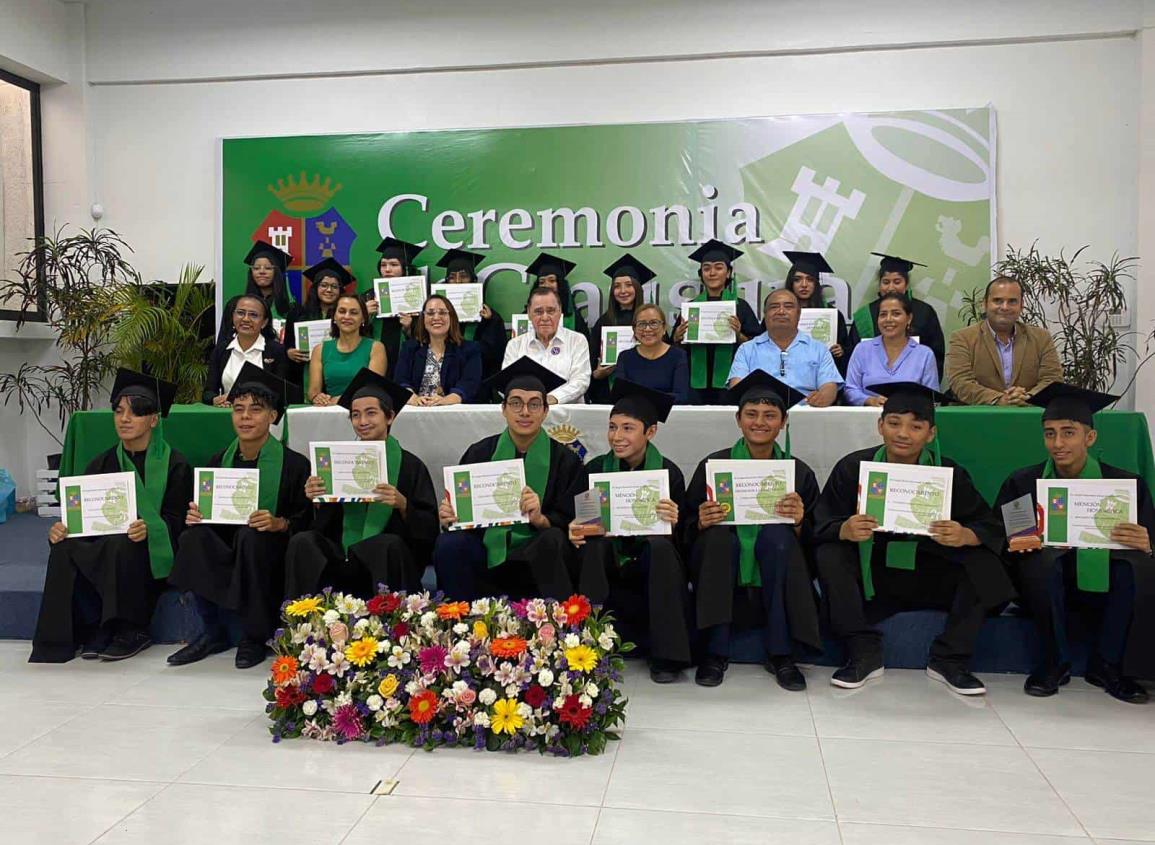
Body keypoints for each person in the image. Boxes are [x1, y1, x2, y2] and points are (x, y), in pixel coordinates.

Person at [813, 383, 1015, 694]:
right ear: (880, 425)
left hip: (929, 571)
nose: (903, 434)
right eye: (894, 423)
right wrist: (844, 529)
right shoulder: (853, 468)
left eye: (916, 426)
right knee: (830, 553)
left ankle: (950, 658)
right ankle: (861, 650)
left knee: (983, 561)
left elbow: (987, 526)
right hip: (872, 575)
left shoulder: (948, 474)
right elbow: (821, 522)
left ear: (931, 433)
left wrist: (965, 534)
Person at [995, 383, 1154, 702]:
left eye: (1068, 432)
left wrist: (1148, 542)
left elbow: (1149, 541)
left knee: (1135, 563)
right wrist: (1018, 541)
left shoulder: (1125, 486)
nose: (1057, 443)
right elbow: (1005, 541)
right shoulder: (1022, 483)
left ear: (1090, 437)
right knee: (1039, 560)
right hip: (1048, 585)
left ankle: (1108, 665)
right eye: (1049, 433)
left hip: (1105, 587)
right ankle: (1054, 662)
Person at [30, 371, 191, 663]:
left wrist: (152, 529)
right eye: (119, 411)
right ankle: (64, 638)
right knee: (65, 547)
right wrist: (62, 529)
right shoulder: (102, 462)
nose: (124, 419)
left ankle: (131, 630)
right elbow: (82, 520)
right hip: (107, 550)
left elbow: (181, 523)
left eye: (135, 412)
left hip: (149, 557)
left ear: (153, 420)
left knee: (122, 541)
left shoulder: (175, 464)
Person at [684, 371, 823, 690]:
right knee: (718, 537)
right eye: (751, 414)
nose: (760, 422)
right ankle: (715, 651)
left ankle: (781, 652)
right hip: (721, 562)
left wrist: (800, 522)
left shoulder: (798, 473)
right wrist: (701, 521)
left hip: (777, 564)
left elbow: (816, 538)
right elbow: (686, 527)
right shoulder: (713, 466)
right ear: (738, 419)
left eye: (770, 415)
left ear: (783, 422)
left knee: (777, 536)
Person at [168, 365, 312, 669]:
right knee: (192, 537)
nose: (245, 417)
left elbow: (308, 521)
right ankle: (211, 631)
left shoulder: (295, 464)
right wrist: (197, 515)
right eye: (238, 409)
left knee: (252, 536)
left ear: (272, 416)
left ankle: (253, 635)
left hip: (271, 553)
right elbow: (207, 514)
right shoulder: (218, 461)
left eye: (255, 410)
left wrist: (279, 523)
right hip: (229, 547)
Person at [433, 358, 588, 601]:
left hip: (538, 555)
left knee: (553, 539)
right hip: (487, 551)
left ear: (546, 411)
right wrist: (450, 516)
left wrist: (541, 519)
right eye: (516, 403)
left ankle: (556, 626)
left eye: (534, 404)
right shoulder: (480, 453)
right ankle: (459, 624)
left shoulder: (566, 461)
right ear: (503, 409)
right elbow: (460, 515)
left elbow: (574, 525)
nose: (525, 412)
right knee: (450, 543)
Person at [569, 379, 692, 683]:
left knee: (661, 547)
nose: (617, 436)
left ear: (650, 432)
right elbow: (585, 522)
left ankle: (666, 655)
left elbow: (686, 539)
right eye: (612, 427)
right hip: (608, 558)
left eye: (628, 428)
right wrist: (575, 529)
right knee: (594, 545)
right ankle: (591, 645)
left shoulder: (669, 473)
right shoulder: (594, 470)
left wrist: (674, 522)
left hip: (651, 561)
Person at [284, 370, 439, 598]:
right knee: (303, 542)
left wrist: (403, 505)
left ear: (390, 417)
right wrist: (317, 500)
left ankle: (392, 624)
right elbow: (323, 524)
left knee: (387, 544)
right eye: (355, 415)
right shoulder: (339, 461)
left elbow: (429, 529)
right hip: (342, 555)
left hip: (386, 561)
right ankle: (303, 621)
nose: (362, 422)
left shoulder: (410, 466)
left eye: (371, 413)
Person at [946, 276, 1063, 405]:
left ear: (1021, 305)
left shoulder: (1041, 338)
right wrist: (999, 399)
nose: (1005, 307)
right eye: (997, 301)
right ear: (984, 304)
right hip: (980, 418)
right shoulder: (963, 338)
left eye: (1012, 301)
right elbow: (960, 382)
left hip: (1029, 415)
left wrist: (1028, 398)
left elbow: (1052, 379)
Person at [672, 240, 762, 404]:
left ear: (728, 273)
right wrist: (677, 339)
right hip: (695, 383)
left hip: (731, 381)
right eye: (706, 268)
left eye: (718, 267)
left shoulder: (740, 307)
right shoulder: (691, 308)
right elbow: (676, 349)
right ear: (701, 274)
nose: (712, 273)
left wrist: (739, 335)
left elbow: (758, 347)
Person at [727, 288, 842, 407]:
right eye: (774, 307)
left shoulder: (819, 349)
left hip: (806, 413)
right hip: (761, 415)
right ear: (765, 314)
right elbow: (737, 386)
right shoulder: (747, 349)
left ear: (799, 314)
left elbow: (829, 386)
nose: (781, 311)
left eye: (788, 306)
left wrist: (823, 397)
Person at [848, 253, 946, 379]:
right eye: (886, 282)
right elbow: (853, 356)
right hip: (872, 390)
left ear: (906, 284)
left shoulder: (924, 312)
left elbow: (936, 354)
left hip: (914, 388)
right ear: (880, 284)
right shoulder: (864, 315)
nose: (891, 288)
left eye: (897, 282)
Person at [843, 292, 940, 405]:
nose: (888, 319)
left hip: (910, 419)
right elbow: (850, 389)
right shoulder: (862, 350)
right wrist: (869, 400)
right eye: (883, 314)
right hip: (867, 418)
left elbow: (931, 398)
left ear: (909, 318)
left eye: (896, 314)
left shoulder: (925, 354)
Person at [502, 286, 591, 404]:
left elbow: (581, 381)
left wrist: (552, 399)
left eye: (551, 311)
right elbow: (507, 383)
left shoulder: (577, 341)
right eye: (538, 312)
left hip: (567, 416)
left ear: (560, 312)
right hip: (527, 414)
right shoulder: (515, 345)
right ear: (529, 313)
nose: (545, 317)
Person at [436, 248, 507, 389]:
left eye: (463, 276)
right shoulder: (436, 316)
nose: (457, 282)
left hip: (477, 383)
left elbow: (495, 354)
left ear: (473, 280)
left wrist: (491, 321)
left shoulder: (489, 316)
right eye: (452, 277)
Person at [393, 293, 483, 405]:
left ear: (452, 318)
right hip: (416, 412)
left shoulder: (470, 349)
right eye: (430, 313)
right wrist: (414, 399)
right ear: (423, 319)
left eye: (442, 313)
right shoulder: (409, 348)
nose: (436, 317)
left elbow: (470, 384)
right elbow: (401, 381)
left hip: (453, 413)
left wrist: (445, 401)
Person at [587, 254, 650, 404]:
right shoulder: (604, 322)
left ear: (637, 287)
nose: (623, 291)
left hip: (644, 392)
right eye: (617, 286)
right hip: (607, 395)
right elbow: (590, 367)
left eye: (628, 285)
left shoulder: (649, 320)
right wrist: (597, 375)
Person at [203, 295, 289, 405]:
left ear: (264, 322)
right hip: (227, 414)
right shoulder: (221, 349)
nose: (246, 319)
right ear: (233, 316)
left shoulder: (277, 351)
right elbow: (208, 392)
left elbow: (282, 393)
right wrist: (215, 399)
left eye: (253, 315)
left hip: (264, 416)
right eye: (240, 313)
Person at [307, 293, 387, 406]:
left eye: (354, 313)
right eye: (342, 311)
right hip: (331, 411)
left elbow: (372, 388)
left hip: (364, 410)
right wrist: (318, 397)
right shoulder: (319, 350)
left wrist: (341, 399)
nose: (347, 317)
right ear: (334, 316)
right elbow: (313, 391)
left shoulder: (376, 348)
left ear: (363, 318)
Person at [364, 237, 424, 380]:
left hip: (405, 361)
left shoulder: (418, 297)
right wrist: (362, 314)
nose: (387, 269)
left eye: (394, 264)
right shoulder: (368, 297)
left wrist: (410, 328)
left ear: (405, 268)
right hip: (372, 361)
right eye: (383, 265)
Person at [783, 250, 850, 376]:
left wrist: (841, 351)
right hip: (788, 374)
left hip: (822, 375)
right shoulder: (780, 313)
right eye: (798, 280)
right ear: (791, 283)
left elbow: (846, 347)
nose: (804, 285)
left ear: (816, 284)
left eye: (810, 280)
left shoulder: (833, 315)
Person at [284, 257, 348, 385]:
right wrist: (289, 352)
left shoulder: (346, 316)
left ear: (340, 291)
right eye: (323, 285)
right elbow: (287, 344)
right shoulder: (297, 314)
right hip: (303, 372)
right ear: (315, 288)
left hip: (337, 371)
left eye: (334, 286)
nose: (329, 290)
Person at [216, 241, 294, 345]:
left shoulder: (289, 307)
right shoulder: (235, 305)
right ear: (251, 272)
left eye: (268, 268)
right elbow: (223, 341)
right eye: (256, 268)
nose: (262, 271)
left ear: (277, 272)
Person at [615, 304, 690, 404]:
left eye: (654, 323)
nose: (647, 329)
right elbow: (620, 395)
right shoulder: (624, 357)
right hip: (635, 416)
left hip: (669, 417)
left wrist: (641, 399)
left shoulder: (678, 356)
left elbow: (681, 396)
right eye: (642, 324)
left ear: (664, 328)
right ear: (634, 330)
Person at [526, 252, 589, 337]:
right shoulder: (525, 317)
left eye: (552, 280)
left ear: (560, 284)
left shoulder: (574, 318)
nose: (546, 285)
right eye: (542, 282)